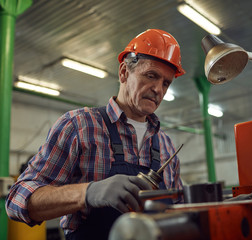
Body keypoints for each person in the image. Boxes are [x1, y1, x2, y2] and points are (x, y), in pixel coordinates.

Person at [6, 29, 186, 240]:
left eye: (166, 83)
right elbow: (17, 200)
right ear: (124, 72)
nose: (158, 89)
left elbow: (179, 211)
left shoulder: (165, 145)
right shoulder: (79, 126)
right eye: (151, 75)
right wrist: (88, 193)